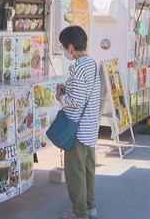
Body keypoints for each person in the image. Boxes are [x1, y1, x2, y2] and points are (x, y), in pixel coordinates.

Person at [55, 26, 100, 219]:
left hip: (77, 130)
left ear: (71, 47)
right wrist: (68, 89)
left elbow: (76, 102)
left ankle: (80, 212)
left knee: (75, 172)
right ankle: (90, 207)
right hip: (90, 127)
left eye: (64, 47)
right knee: (88, 170)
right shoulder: (92, 63)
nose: (65, 51)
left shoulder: (79, 66)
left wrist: (61, 97)